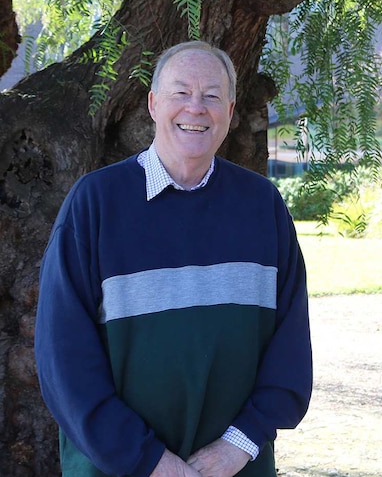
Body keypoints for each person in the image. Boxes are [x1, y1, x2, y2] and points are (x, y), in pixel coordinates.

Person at [35, 41, 312, 477]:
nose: (195, 108)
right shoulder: (95, 204)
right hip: (117, 469)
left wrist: (236, 448)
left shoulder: (262, 207)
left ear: (231, 110)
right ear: (153, 103)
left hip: (235, 468)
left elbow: (290, 347)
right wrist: (152, 463)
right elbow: (63, 362)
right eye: (180, 93)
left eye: (211, 96)